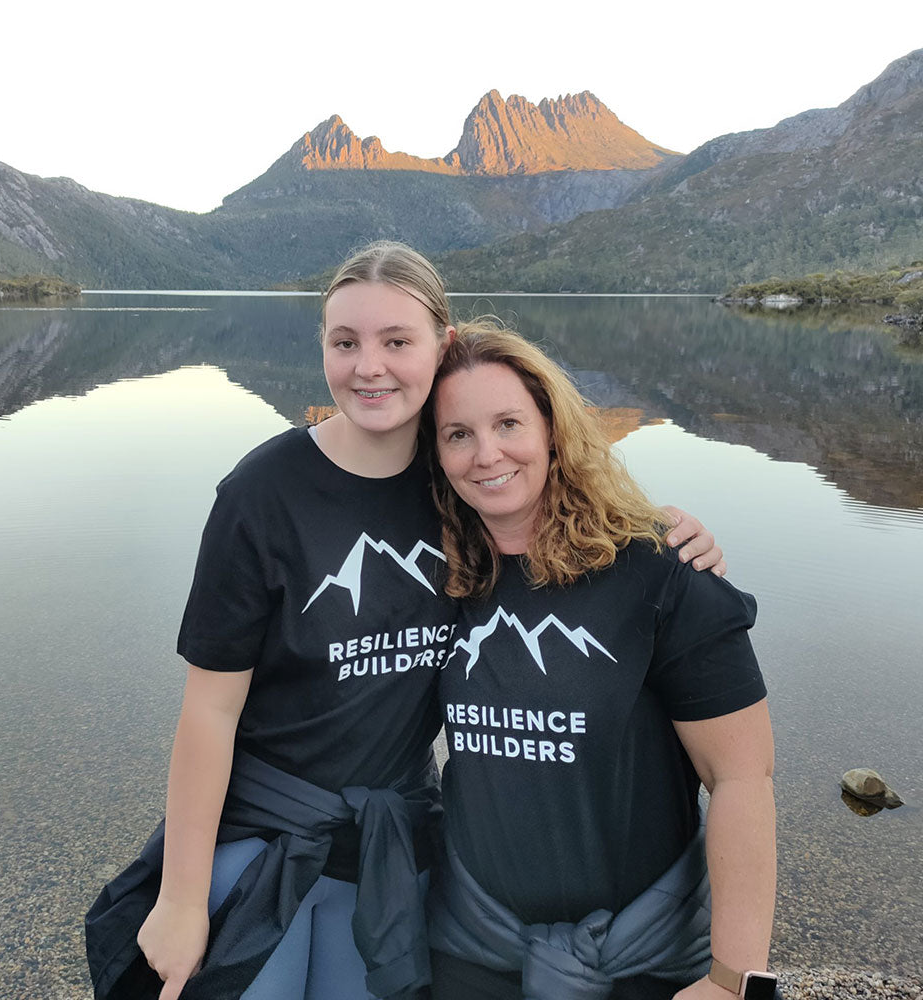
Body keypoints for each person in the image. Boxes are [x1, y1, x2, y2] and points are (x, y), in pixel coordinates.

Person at [84, 242, 727, 1000]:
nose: (369, 367)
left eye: (397, 341)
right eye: (345, 342)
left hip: (394, 842)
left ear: (442, 346)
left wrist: (668, 532)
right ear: (320, 345)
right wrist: (182, 898)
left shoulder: (465, 474)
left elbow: (571, 523)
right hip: (262, 835)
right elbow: (208, 712)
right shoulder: (262, 495)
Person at [424, 320, 777, 1000]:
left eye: (508, 424)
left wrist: (733, 982)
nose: (487, 453)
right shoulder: (438, 574)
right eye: (457, 434)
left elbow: (741, 775)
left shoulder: (661, 571)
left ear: (553, 430)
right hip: (471, 948)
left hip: (647, 957)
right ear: (435, 455)